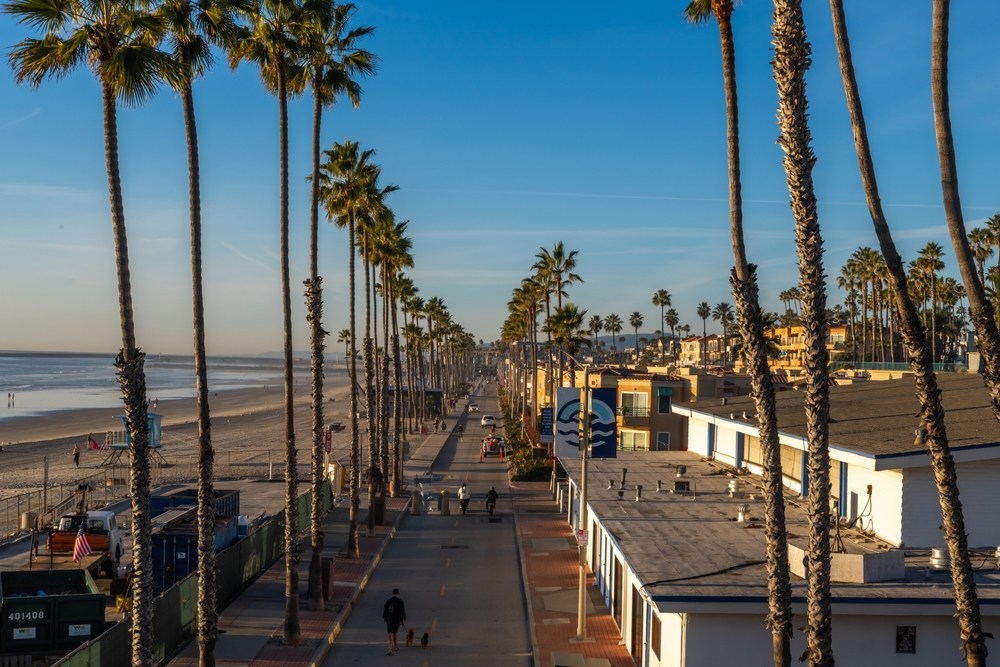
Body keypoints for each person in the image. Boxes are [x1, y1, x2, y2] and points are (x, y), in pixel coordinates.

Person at [382, 588, 406, 655]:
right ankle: (395, 647)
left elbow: (385, 610)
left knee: (390, 634)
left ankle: (389, 650)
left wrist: (384, 618)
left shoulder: (388, 601)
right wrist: (403, 619)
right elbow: (402, 612)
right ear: (398, 594)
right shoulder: (400, 602)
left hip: (389, 619)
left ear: (392, 594)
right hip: (397, 620)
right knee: (395, 633)